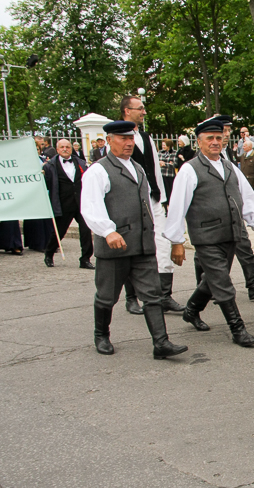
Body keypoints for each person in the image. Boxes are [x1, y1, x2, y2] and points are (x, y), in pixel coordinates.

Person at [80, 121, 188, 359]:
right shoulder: (98, 171)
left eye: (130, 139)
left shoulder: (138, 168)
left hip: (142, 245)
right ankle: (101, 335)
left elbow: (148, 205)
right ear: (109, 140)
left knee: (152, 295)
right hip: (114, 246)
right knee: (107, 295)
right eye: (122, 139)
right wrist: (107, 231)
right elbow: (90, 207)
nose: (128, 143)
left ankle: (161, 343)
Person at [165, 119, 254, 347]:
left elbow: (248, 198)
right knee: (223, 282)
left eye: (218, 138)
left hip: (230, 233)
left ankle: (191, 310)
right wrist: (176, 240)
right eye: (209, 138)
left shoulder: (229, 167)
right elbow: (177, 206)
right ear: (199, 141)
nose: (215, 142)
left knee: (213, 278)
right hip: (206, 236)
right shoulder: (189, 169)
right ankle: (238, 328)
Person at [117, 96, 185, 315]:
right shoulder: (119, 139)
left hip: (153, 200)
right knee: (134, 248)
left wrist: (161, 198)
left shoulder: (145, 137)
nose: (144, 112)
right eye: (140, 109)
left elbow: (154, 169)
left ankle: (164, 295)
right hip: (132, 202)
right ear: (127, 111)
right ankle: (131, 297)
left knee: (164, 246)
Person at [195, 114, 254, 301]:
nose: (224, 136)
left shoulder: (228, 155)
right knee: (209, 260)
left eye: (225, 132)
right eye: (221, 132)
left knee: (245, 249)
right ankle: (206, 289)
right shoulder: (199, 159)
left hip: (233, 214)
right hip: (211, 220)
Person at [42, 139, 94, 269]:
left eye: (67, 147)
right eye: (62, 147)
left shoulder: (80, 162)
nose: (65, 149)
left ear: (71, 149)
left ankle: (85, 259)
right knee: (59, 231)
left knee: (86, 231)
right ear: (57, 149)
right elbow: (46, 185)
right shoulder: (50, 166)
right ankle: (49, 253)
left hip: (81, 203)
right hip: (63, 203)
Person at [158, 139, 178, 204]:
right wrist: (166, 163)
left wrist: (164, 164)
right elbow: (157, 162)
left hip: (170, 175)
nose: (163, 146)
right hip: (162, 175)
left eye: (164, 145)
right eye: (162, 145)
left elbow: (175, 164)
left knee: (170, 193)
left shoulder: (174, 153)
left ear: (168, 146)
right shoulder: (160, 152)